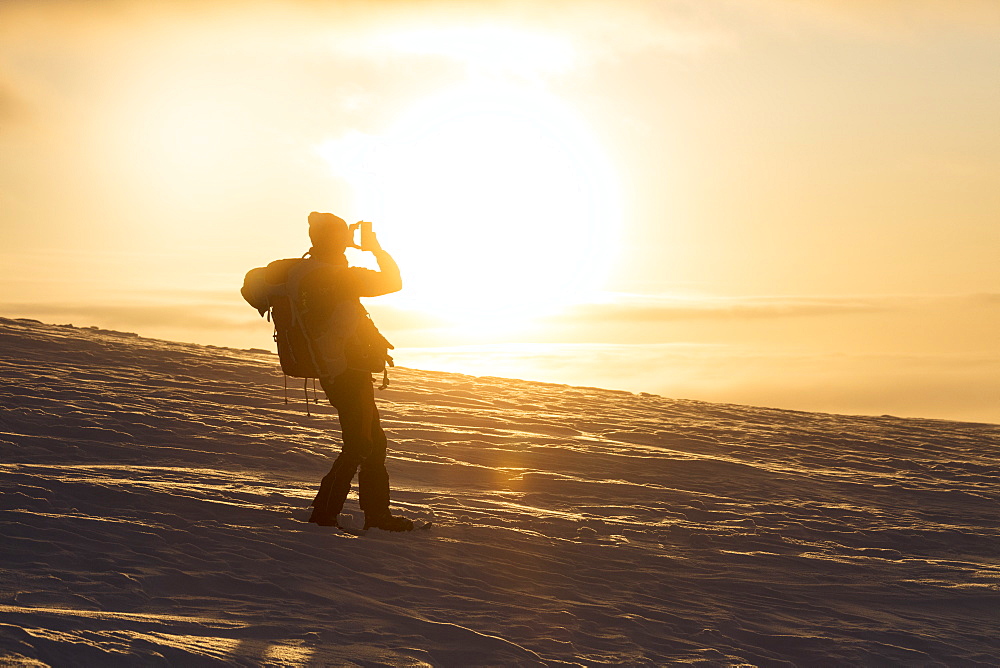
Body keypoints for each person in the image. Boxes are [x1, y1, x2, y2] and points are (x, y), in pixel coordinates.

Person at [300, 211, 413, 532]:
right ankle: (326, 513)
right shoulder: (336, 276)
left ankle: (375, 514)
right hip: (347, 371)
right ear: (335, 240)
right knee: (361, 444)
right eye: (342, 237)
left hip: (335, 370)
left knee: (372, 442)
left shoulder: (306, 270)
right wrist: (375, 248)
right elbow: (393, 281)